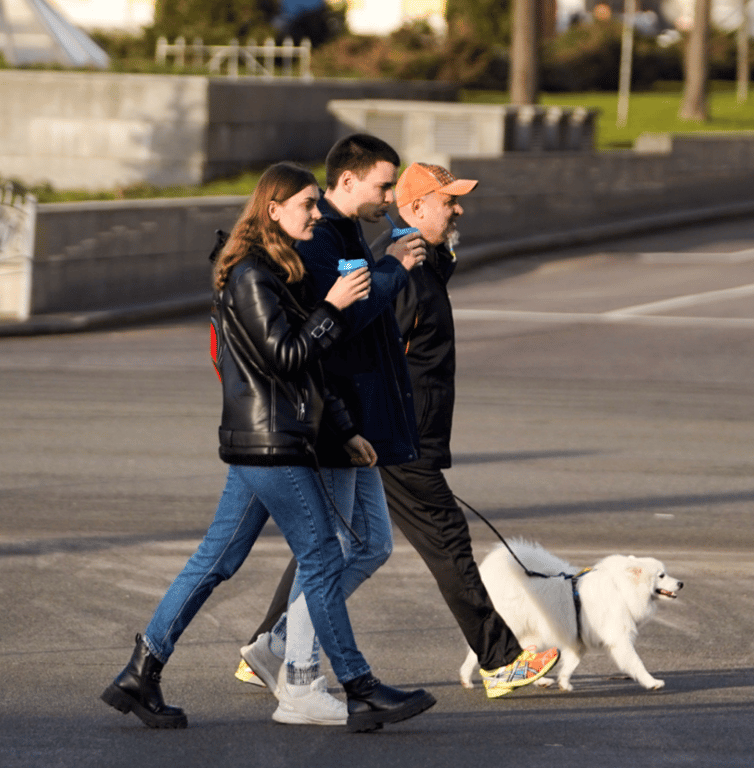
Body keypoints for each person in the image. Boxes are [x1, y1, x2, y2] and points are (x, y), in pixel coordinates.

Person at [101, 162, 434, 733]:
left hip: (266, 439)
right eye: (306, 204)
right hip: (269, 442)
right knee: (324, 558)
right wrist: (331, 307)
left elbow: (308, 369)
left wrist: (345, 428)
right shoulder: (252, 274)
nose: (314, 212)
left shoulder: (278, 269)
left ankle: (142, 671)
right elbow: (286, 357)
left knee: (217, 560)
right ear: (273, 210)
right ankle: (357, 687)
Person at [238, 159, 559, 701]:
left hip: (398, 434)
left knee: (333, 541)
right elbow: (367, 346)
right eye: (448, 201)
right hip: (395, 436)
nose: (458, 209)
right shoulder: (399, 271)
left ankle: (266, 646)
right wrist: (372, 428)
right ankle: (500, 661)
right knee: (445, 539)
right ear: (413, 208)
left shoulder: (423, 262)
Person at [235, 135, 426, 726]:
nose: (389, 197)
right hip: (333, 422)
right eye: (383, 186)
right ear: (347, 182)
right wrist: (391, 271)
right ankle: (298, 673)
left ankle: (280, 645)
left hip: (355, 422)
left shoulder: (343, 237)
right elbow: (332, 331)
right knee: (332, 550)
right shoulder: (320, 241)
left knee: (369, 545)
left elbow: (360, 324)